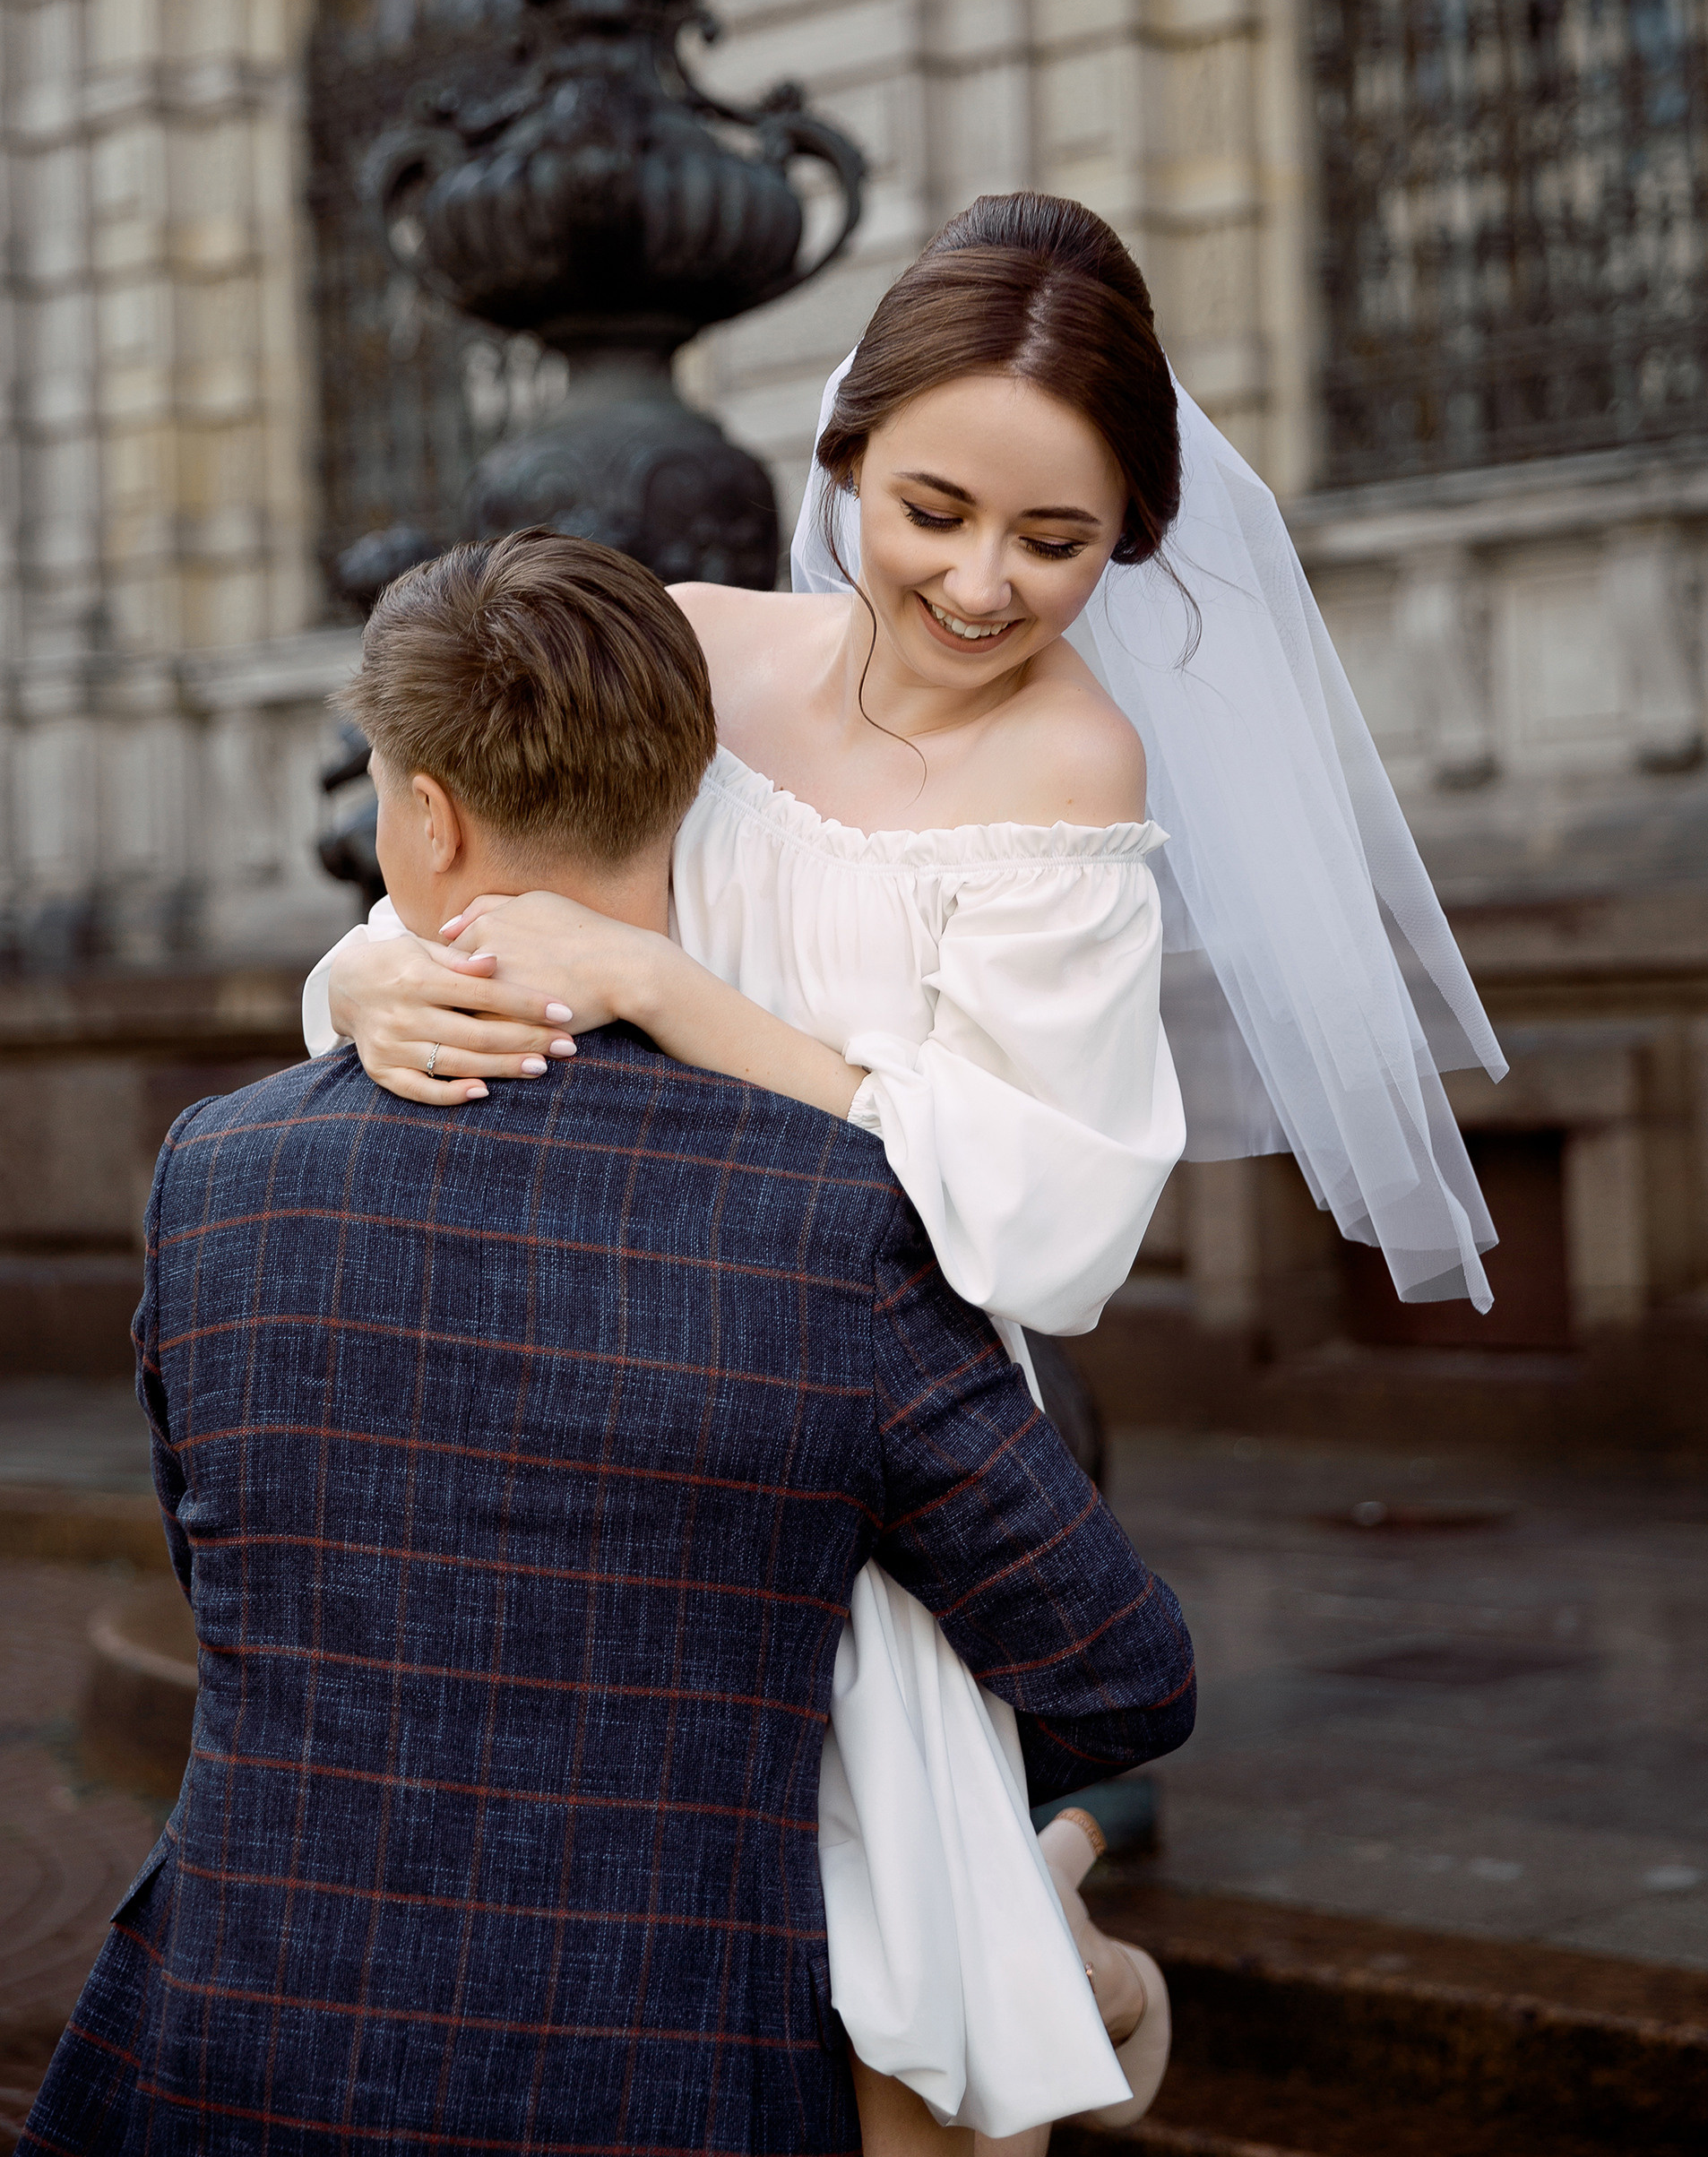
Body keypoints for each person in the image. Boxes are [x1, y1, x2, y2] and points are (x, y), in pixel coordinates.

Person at [304, 192, 1507, 2143]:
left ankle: (1048, 1936)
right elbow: (449, 905)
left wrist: (671, 991)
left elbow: (1046, 1214)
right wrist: (367, 986)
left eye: (1058, 543)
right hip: (623, 1417)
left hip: (877, 1446)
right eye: (932, 508)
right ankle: (1059, 1926)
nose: (974, 584)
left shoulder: (1072, 771)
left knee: (916, 2073)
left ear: (1130, 539)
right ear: (844, 453)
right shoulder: (689, 647)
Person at [22, 533, 1195, 2157]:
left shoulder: (216, 1179)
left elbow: (240, 1573)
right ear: (686, 791)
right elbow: (1120, 1672)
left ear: (418, 819)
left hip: (235, 2057)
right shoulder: (833, 1216)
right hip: (674, 2084)